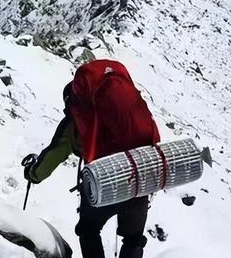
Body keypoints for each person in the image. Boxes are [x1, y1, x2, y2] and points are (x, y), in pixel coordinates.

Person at [24, 60, 160, 258]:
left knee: (88, 231)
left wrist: (33, 174)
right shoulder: (128, 108)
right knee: (133, 239)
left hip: (101, 184)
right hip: (137, 181)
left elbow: (55, 154)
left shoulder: (78, 119)